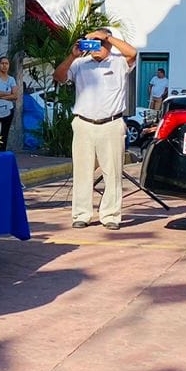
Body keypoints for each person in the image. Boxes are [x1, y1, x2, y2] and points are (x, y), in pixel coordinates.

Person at [55, 29, 138, 231]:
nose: (94, 46)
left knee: (113, 173)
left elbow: (132, 53)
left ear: (108, 44)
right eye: (90, 42)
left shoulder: (119, 62)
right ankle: (81, 214)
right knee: (82, 172)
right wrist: (72, 55)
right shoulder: (80, 64)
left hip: (111, 123)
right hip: (84, 123)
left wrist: (105, 36)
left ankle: (110, 215)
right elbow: (58, 76)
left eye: (98, 43)